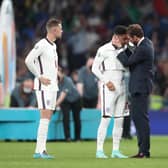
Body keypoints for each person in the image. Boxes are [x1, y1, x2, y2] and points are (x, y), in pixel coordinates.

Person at [25, 18, 63, 159]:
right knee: (45, 116)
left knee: (48, 117)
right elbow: (28, 60)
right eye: (60, 28)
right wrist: (39, 76)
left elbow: (48, 64)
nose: (62, 30)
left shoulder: (53, 46)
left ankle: (41, 149)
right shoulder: (42, 44)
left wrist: (56, 72)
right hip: (43, 85)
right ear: (54, 30)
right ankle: (39, 151)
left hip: (52, 85)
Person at [117, 24, 154, 158]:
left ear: (135, 37)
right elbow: (134, 57)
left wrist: (121, 49)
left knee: (140, 120)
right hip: (141, 87)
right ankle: (142, 150)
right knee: (140, 120)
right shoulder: (146, 43)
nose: (129, 41)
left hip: (140, 88)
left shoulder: (143, 48)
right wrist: (128, 47)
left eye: (130, 38)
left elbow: (128, 62)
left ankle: (144, 151)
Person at [92, 25, 129, 159]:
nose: (125, 40)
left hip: (122, 86)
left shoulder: (125, 49)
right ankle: (99, 150)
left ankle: (115, 150)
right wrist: (106, 81)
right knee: (106, 118)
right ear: (116, 37)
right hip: (108, 87)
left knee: (119, 120)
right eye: (123, 38)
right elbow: (94, 69)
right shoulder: (103, 49)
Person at [56, 67, 81, 141]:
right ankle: (68, 138)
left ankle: (78, 138)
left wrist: (55, 105)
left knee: (76, 118)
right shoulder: (54, 81)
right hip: (65, 101)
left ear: (62, 73)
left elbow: (62, 95)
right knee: (65, 118)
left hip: (75, 99)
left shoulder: (68, 80)